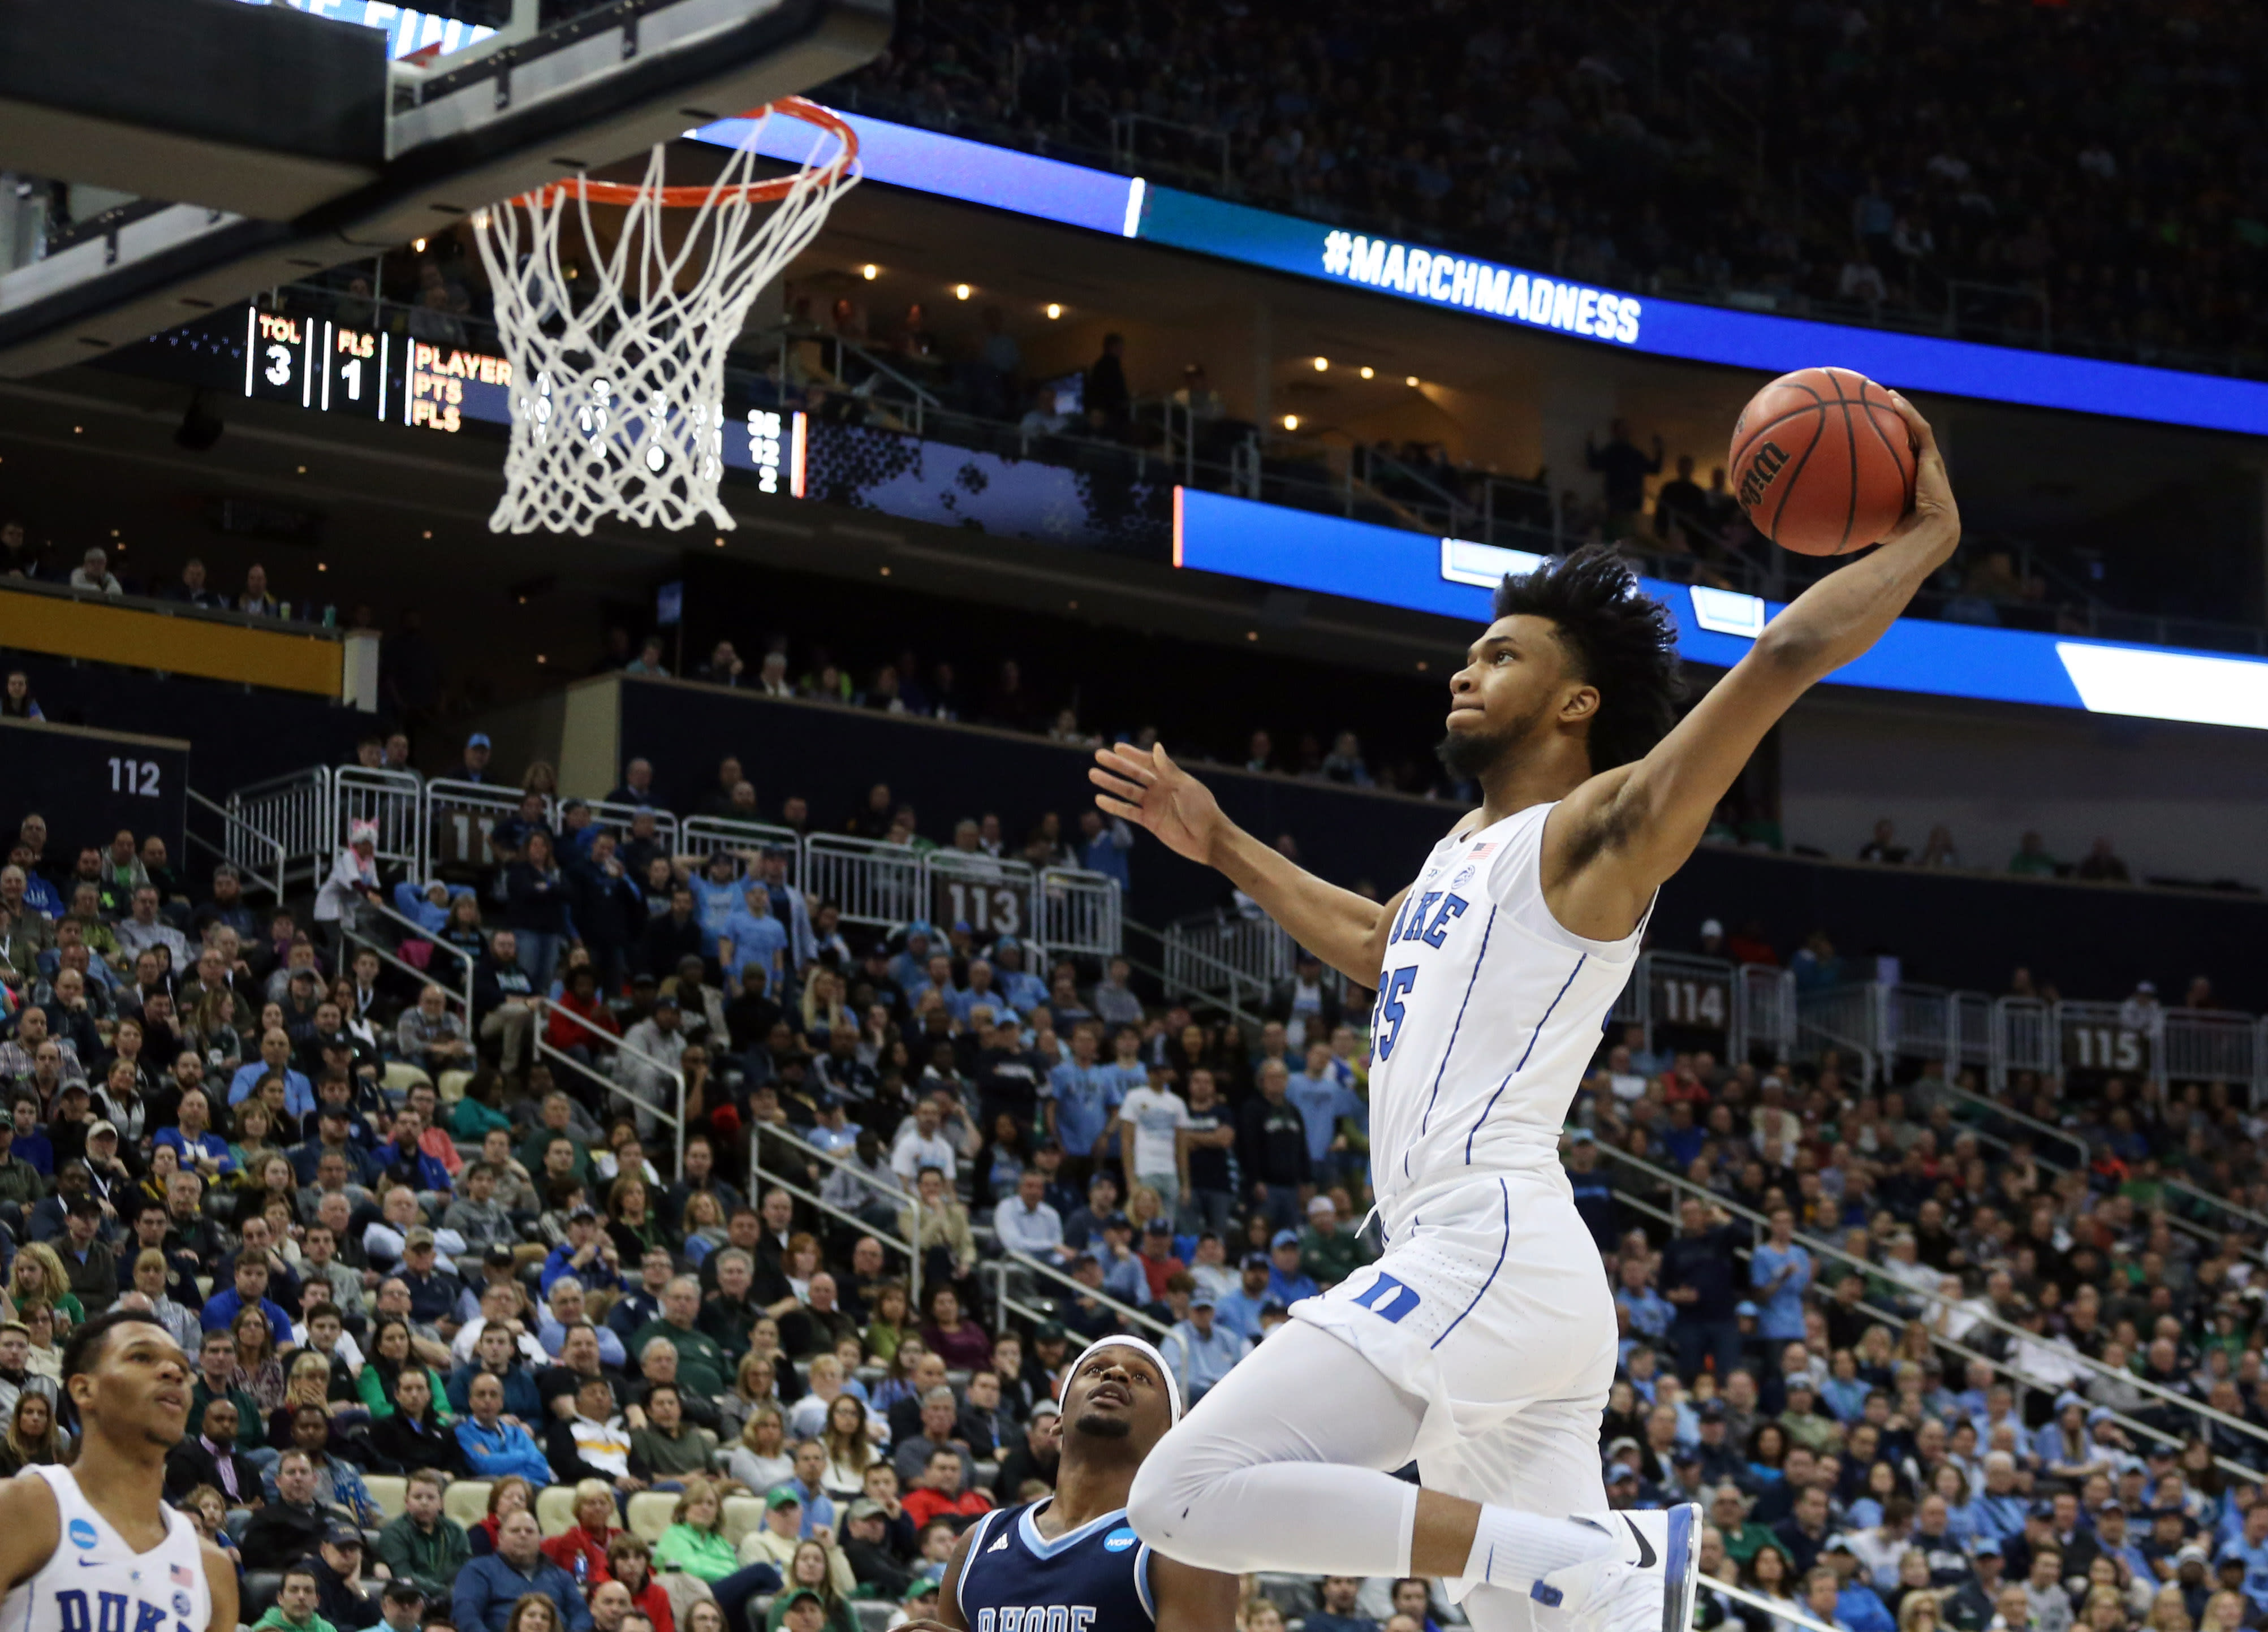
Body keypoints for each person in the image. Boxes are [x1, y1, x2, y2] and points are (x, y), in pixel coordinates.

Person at [1096, 395, 1964, 1632]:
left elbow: (1778, 661)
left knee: (1183, 1496)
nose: (1467, 665)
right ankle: (1587, 1569)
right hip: (1496, 1282)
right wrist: (1220, 840)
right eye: (1473, 650)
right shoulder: (1464, 847)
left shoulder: (1601, 832)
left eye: (1504, 654)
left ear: (1576, 706)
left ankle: (1590, 1557)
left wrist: (1924, 538)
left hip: (1484, 1249)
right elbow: (1370, 942)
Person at [934, 1336, 1238, 1632]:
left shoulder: (1183, 1546)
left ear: (1169, 1436)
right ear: (1058, 1419)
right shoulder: (979, 1542)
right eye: (1094, 1370)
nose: (1115, 1373)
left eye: (1142, 1376)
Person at [0, 1309, 239, 1632]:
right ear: (85, 1390)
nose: (173, 1372)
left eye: (183, 1367)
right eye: (141, 1357)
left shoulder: (212, 1568)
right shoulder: (22, 1508)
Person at [452, 1510, 592, 1632]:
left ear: (540, 1539)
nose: (523, 1535)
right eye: (515, 1531)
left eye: (530, 1531)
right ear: (500, 1538)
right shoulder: (478, 1570)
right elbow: (466, 1615)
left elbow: (582, 1615)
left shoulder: (560, 1576)